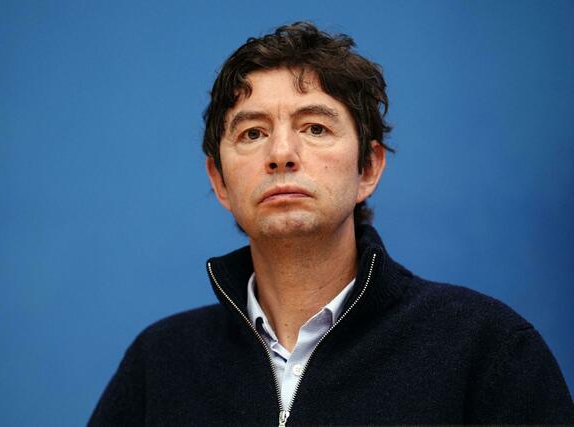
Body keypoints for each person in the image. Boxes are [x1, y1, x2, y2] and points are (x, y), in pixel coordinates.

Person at [89, 22, 573, 426]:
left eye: (315, 128)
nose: (281, 155)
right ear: (219, 180)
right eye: (253, 133)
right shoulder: (159, 364)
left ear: (368, 168)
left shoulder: (486, 349)